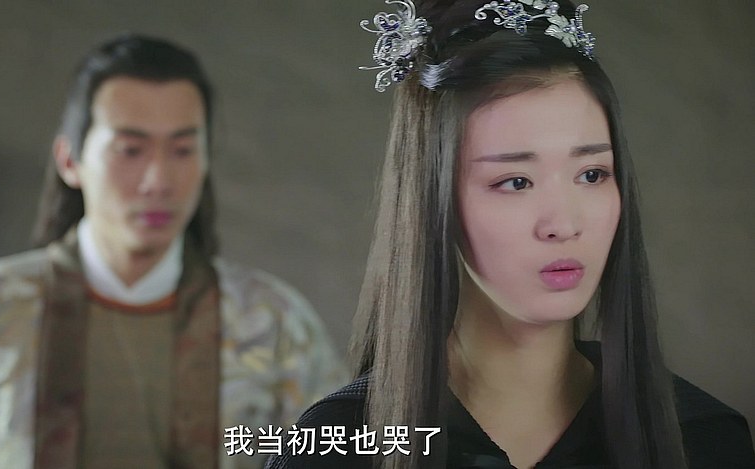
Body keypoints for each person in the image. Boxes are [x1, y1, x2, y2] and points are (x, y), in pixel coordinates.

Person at [266, 0, 755, 468]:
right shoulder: (336, 450)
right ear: (434, 201)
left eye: (591, 174)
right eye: (515, 182)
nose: (564, 224)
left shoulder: (704, 438)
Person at [0, 34, 347, 469]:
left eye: (183, 150)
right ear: (70, 161)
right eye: (130, 150)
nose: (158, 180)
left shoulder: (273, 322)